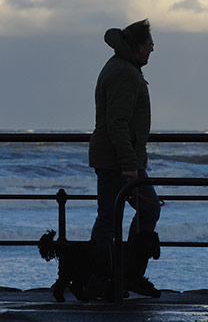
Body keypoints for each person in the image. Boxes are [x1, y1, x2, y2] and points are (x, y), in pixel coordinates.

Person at [88, 19, 161, 298]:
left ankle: (123, 275)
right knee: (113, 218)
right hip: (118, 161)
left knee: (133, 212)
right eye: (150, 44)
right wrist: (129, 164)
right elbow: (117, 123)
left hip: (119, 159)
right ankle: (105, 279)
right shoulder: (124, 73)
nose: (153, 48)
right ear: (138, 46)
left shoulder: (123, 68)